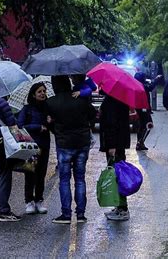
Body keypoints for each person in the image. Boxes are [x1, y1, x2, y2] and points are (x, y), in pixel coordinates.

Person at [46, 75, 96, 224]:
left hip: (64, 143)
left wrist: (56, 129)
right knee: (80, 179)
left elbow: (49, 122)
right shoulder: (80, 98)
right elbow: (93, 115)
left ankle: (66, 214)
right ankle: (80, 214)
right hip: (82, 142)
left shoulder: (51, 102)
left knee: (64, 179)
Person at [17, 82, 52, 215]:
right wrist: (38, 127)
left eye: (44, 91)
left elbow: (52, 128)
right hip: (31, 146)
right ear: (33, 94)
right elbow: (20, 126)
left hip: (44, 145)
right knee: (30, 173)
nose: (42, 93)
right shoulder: (27, 109)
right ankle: (29, 201)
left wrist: (50, 121)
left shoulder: (48, 109)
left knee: (41, 174)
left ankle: (39, 200)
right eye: (39, 91)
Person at [99, 92, 131, 221]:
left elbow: (112, 124)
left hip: (115, 145)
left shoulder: (112, 101)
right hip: (119, 143)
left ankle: (122, 208)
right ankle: (119, 206)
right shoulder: (120, 98)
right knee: (118, 175)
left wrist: (111, 146)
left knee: (117, 177)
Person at [133, 72, 162, 151]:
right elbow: (150, 87)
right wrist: (156, 80)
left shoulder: (136, 85)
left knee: (142, 125)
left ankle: (140, 143)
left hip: (140, 107)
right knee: (148, 124)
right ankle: (140, 142)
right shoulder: (141, 86)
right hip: (143, 108)